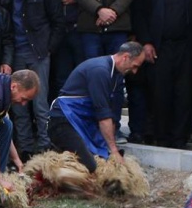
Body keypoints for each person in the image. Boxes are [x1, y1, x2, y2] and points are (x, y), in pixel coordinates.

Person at [0, 0, 64, 157]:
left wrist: (48, 48)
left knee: (40, 103)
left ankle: (44, 146)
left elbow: (58, 22)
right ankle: (25, 148)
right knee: (18, 105)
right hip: (15, 51)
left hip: (38, 53)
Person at [137, 0, 192, 150]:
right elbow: (140, 15)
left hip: (186, 47)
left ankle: (180, 139)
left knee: (184, 94)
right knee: (160, 93)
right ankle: (162, 138)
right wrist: (146, 42)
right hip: (159, 47)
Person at [47, 43, 146, 172]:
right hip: (64, 120)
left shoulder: (115, 73)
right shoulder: (100, 70)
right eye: (135, 66)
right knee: (90, 166)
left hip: (82, 121)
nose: (134, 71)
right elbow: (103, 115)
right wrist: (114, 151)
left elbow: (109, 113)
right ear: (125, 57)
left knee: (102, 159)